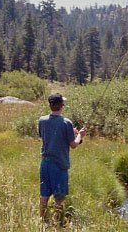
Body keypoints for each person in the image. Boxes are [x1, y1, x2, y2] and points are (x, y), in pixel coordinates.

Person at [38, 93, 87, 221]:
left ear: (50, 105)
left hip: (44, 164)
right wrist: (80, 135)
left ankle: (42, 222)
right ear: (62, 106)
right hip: (59, 165)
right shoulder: (66, 123)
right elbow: (74, 144)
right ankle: (56, 224)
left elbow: (49, 136)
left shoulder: (41, 120)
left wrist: (71, 133)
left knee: (44, 196)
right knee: (59, 199)